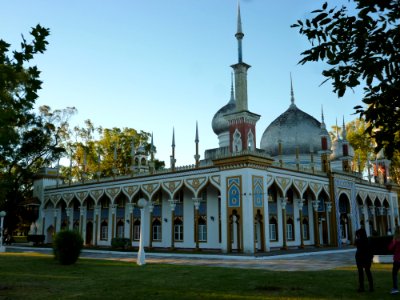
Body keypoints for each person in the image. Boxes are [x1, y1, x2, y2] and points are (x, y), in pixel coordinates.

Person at [355, 227, 373, 292]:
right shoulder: (368, 240)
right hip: (367, 258)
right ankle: (371, 287)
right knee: (368, 272)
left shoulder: (358, 241)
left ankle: (361, 287)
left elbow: (356, 242)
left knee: (360, 273)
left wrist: (357, 235)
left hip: (360, 258)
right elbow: (371, 250)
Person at [389, 226, 400, 294]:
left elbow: (390, 248)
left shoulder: (396, 239)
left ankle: (395, 288)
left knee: (394, 274)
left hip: (397, 259)